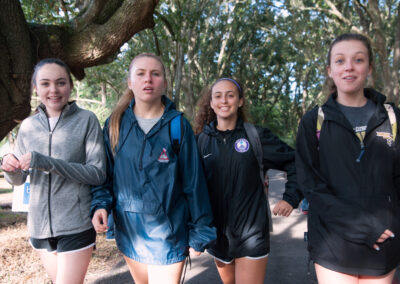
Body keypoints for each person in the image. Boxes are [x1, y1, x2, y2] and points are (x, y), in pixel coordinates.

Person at [90, 53, 216, 284]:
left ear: (164, 83)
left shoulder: (178, 125)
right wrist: (100, 204)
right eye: (140, 74)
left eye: (155, 74)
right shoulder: (114, 124)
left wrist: (200, 230)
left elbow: (194, 183)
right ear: (130, 82)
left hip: (169, 235)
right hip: (130, 232)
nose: (148, 79)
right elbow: (105, 177)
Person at [296, 33, 400, 283]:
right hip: (334, 243)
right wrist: (363, 227)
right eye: (340, 61)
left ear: (369, 68)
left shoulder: (393, 117)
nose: (349, 67)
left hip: (383, 242)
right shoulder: (314, 121)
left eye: (358, 59)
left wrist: (391, 225)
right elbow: (311, 187)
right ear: (330, 70)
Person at [0, 58, 106, 284]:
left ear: (70, 85)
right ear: (36, 88)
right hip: (39, 227)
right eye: (45, 83)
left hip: (76, 224)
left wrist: (47, 162)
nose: (53, 90)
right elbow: (18, 179)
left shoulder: (86, 120)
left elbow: (97, 173)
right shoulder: (28, 126)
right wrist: (9, 166)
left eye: (60, 82)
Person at [194, 78, 302, 284]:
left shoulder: (256, 136)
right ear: (211, 103)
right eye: (218, 96)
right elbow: (190, 187)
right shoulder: (200, 141)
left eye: (230, 95)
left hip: (252, 233)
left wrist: (291, 198)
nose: (224, 100)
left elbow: (295, 161)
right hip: (217, 235)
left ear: (240, 101)